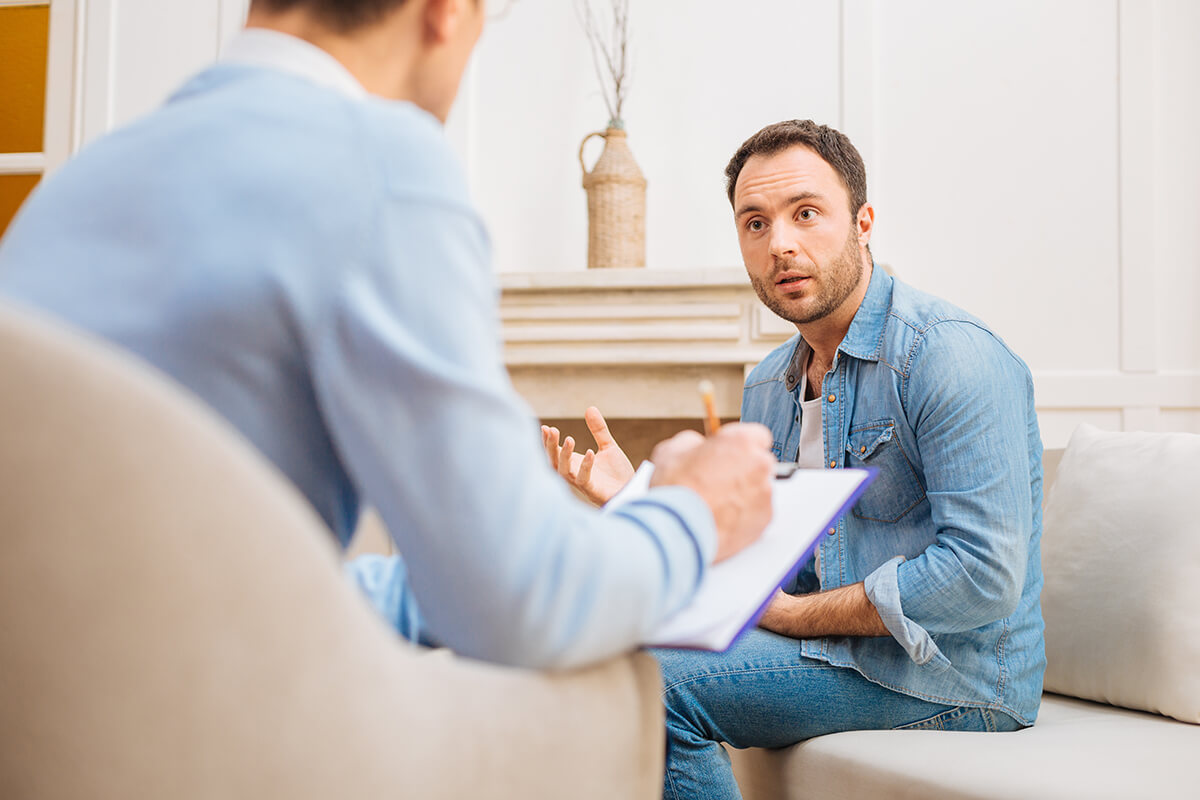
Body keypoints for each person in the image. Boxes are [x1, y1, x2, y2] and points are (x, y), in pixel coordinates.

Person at [0, 0, 779, 670]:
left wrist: (452, 578)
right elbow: (527, 606)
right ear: (443, 10)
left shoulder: (78, 182)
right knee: (614, 692)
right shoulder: (381, 163)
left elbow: (189, 583)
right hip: (218, 745)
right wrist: (696, 509)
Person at [544, 119, 1045, 799]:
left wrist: (789, 617)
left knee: (653, 681)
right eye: (755, 223)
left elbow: (985, 577)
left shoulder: (947, 355)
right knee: (600, 643)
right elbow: (762, 557)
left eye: (806, 214)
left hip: (955, 673)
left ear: (863, 221)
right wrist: (643, 500)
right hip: (834, 653)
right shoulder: (768, 383)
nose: (779, 243)